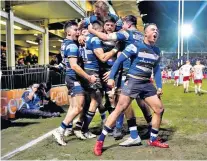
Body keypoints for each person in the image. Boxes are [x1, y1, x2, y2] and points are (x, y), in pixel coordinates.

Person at [94, 23, 169, 156]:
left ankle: (153, 139)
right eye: (153, 29)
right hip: (133, 81)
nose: (155, 31)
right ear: (145, 34)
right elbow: (118, 61)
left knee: (159, 109)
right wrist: (111, 77)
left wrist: (159, 86)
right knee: (119, 110)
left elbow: (156, 70)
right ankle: (100, 141)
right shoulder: (136, 45)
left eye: (157, 30)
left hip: (146, 83)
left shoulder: (157, 51)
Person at [52, 20, 96, 146]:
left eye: (78, 30)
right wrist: (89, 77)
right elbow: (74, 66)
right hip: (74, 78)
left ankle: (68, 129)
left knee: (73, 107)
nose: (78, 32)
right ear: (68, 32)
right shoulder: (72, 45)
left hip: (70, 78)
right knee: (78, 107)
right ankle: (60, 130)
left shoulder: (66, 43)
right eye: (76, 30)